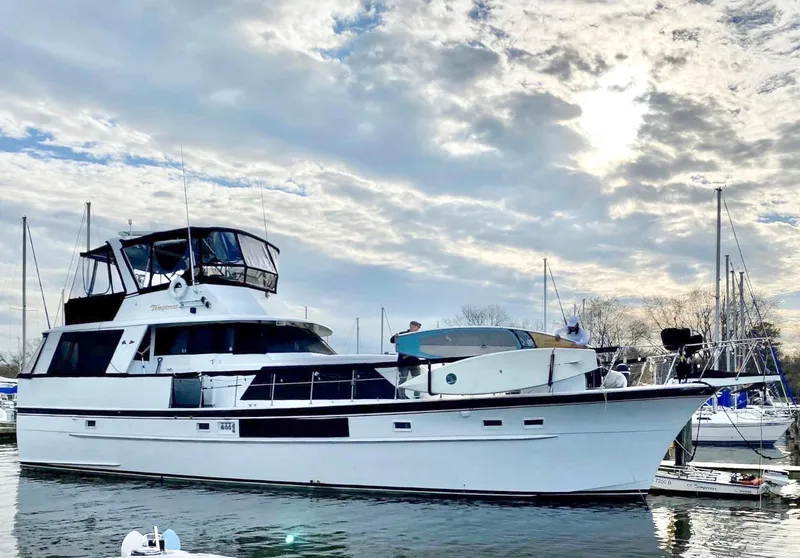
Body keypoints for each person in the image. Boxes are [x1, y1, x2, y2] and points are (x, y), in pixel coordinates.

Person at [390, 321, 422, 398]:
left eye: (418, 327)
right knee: (403, 380)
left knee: (418, 379)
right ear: (411, 326)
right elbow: (392, 340)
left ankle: (417, 396)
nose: (417, 328)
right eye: (416, 326)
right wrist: (395, 336)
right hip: (404, 363)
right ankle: (402, 397)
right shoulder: (403, 335)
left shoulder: (418, 336)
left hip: (415, 362)